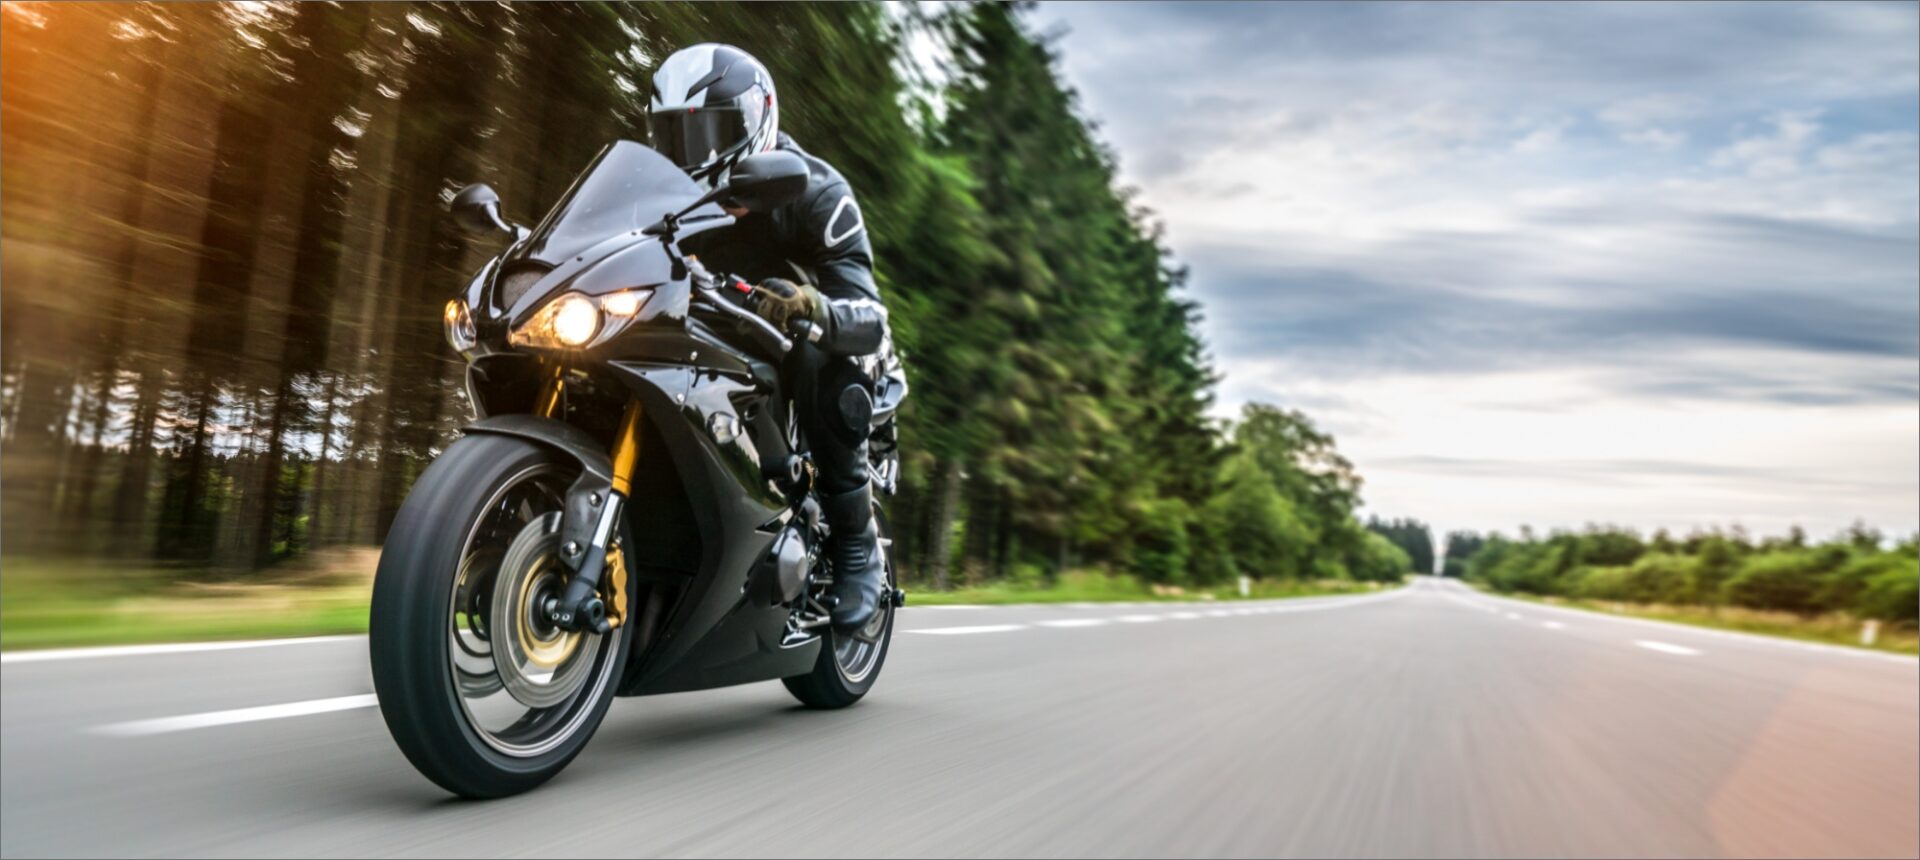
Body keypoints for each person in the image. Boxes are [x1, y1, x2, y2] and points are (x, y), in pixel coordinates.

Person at [646, 43, 890, 633]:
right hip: (703, 324)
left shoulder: (819, 195)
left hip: (794, 341)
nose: (691, 153)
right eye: (675, 137)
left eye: (707, 133)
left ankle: (857, 547)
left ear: (758, 120)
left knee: (822, 354)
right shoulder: (662, 194)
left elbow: (871, 316)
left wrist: (812, 308)